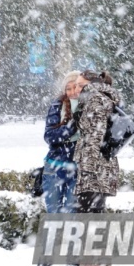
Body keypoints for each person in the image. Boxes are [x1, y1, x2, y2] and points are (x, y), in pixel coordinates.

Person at [73, 70, 121, 213]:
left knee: (88, 219)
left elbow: (96, 133)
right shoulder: (100, 97)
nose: (76, 89)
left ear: (91, 84)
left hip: (94, 170)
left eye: (79, 85)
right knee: (93, 217)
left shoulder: (95, 99)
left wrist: (88, 167)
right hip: (99, 165)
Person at [42, 70, 81, 214]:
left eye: (75, 87)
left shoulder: (88, 106)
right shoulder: (58, 105)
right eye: (68, 89)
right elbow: (49, 136)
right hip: (54, 168)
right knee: (54, 216)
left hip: (77, 170)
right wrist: (70, 128)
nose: (72, 92)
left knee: (72, 216)